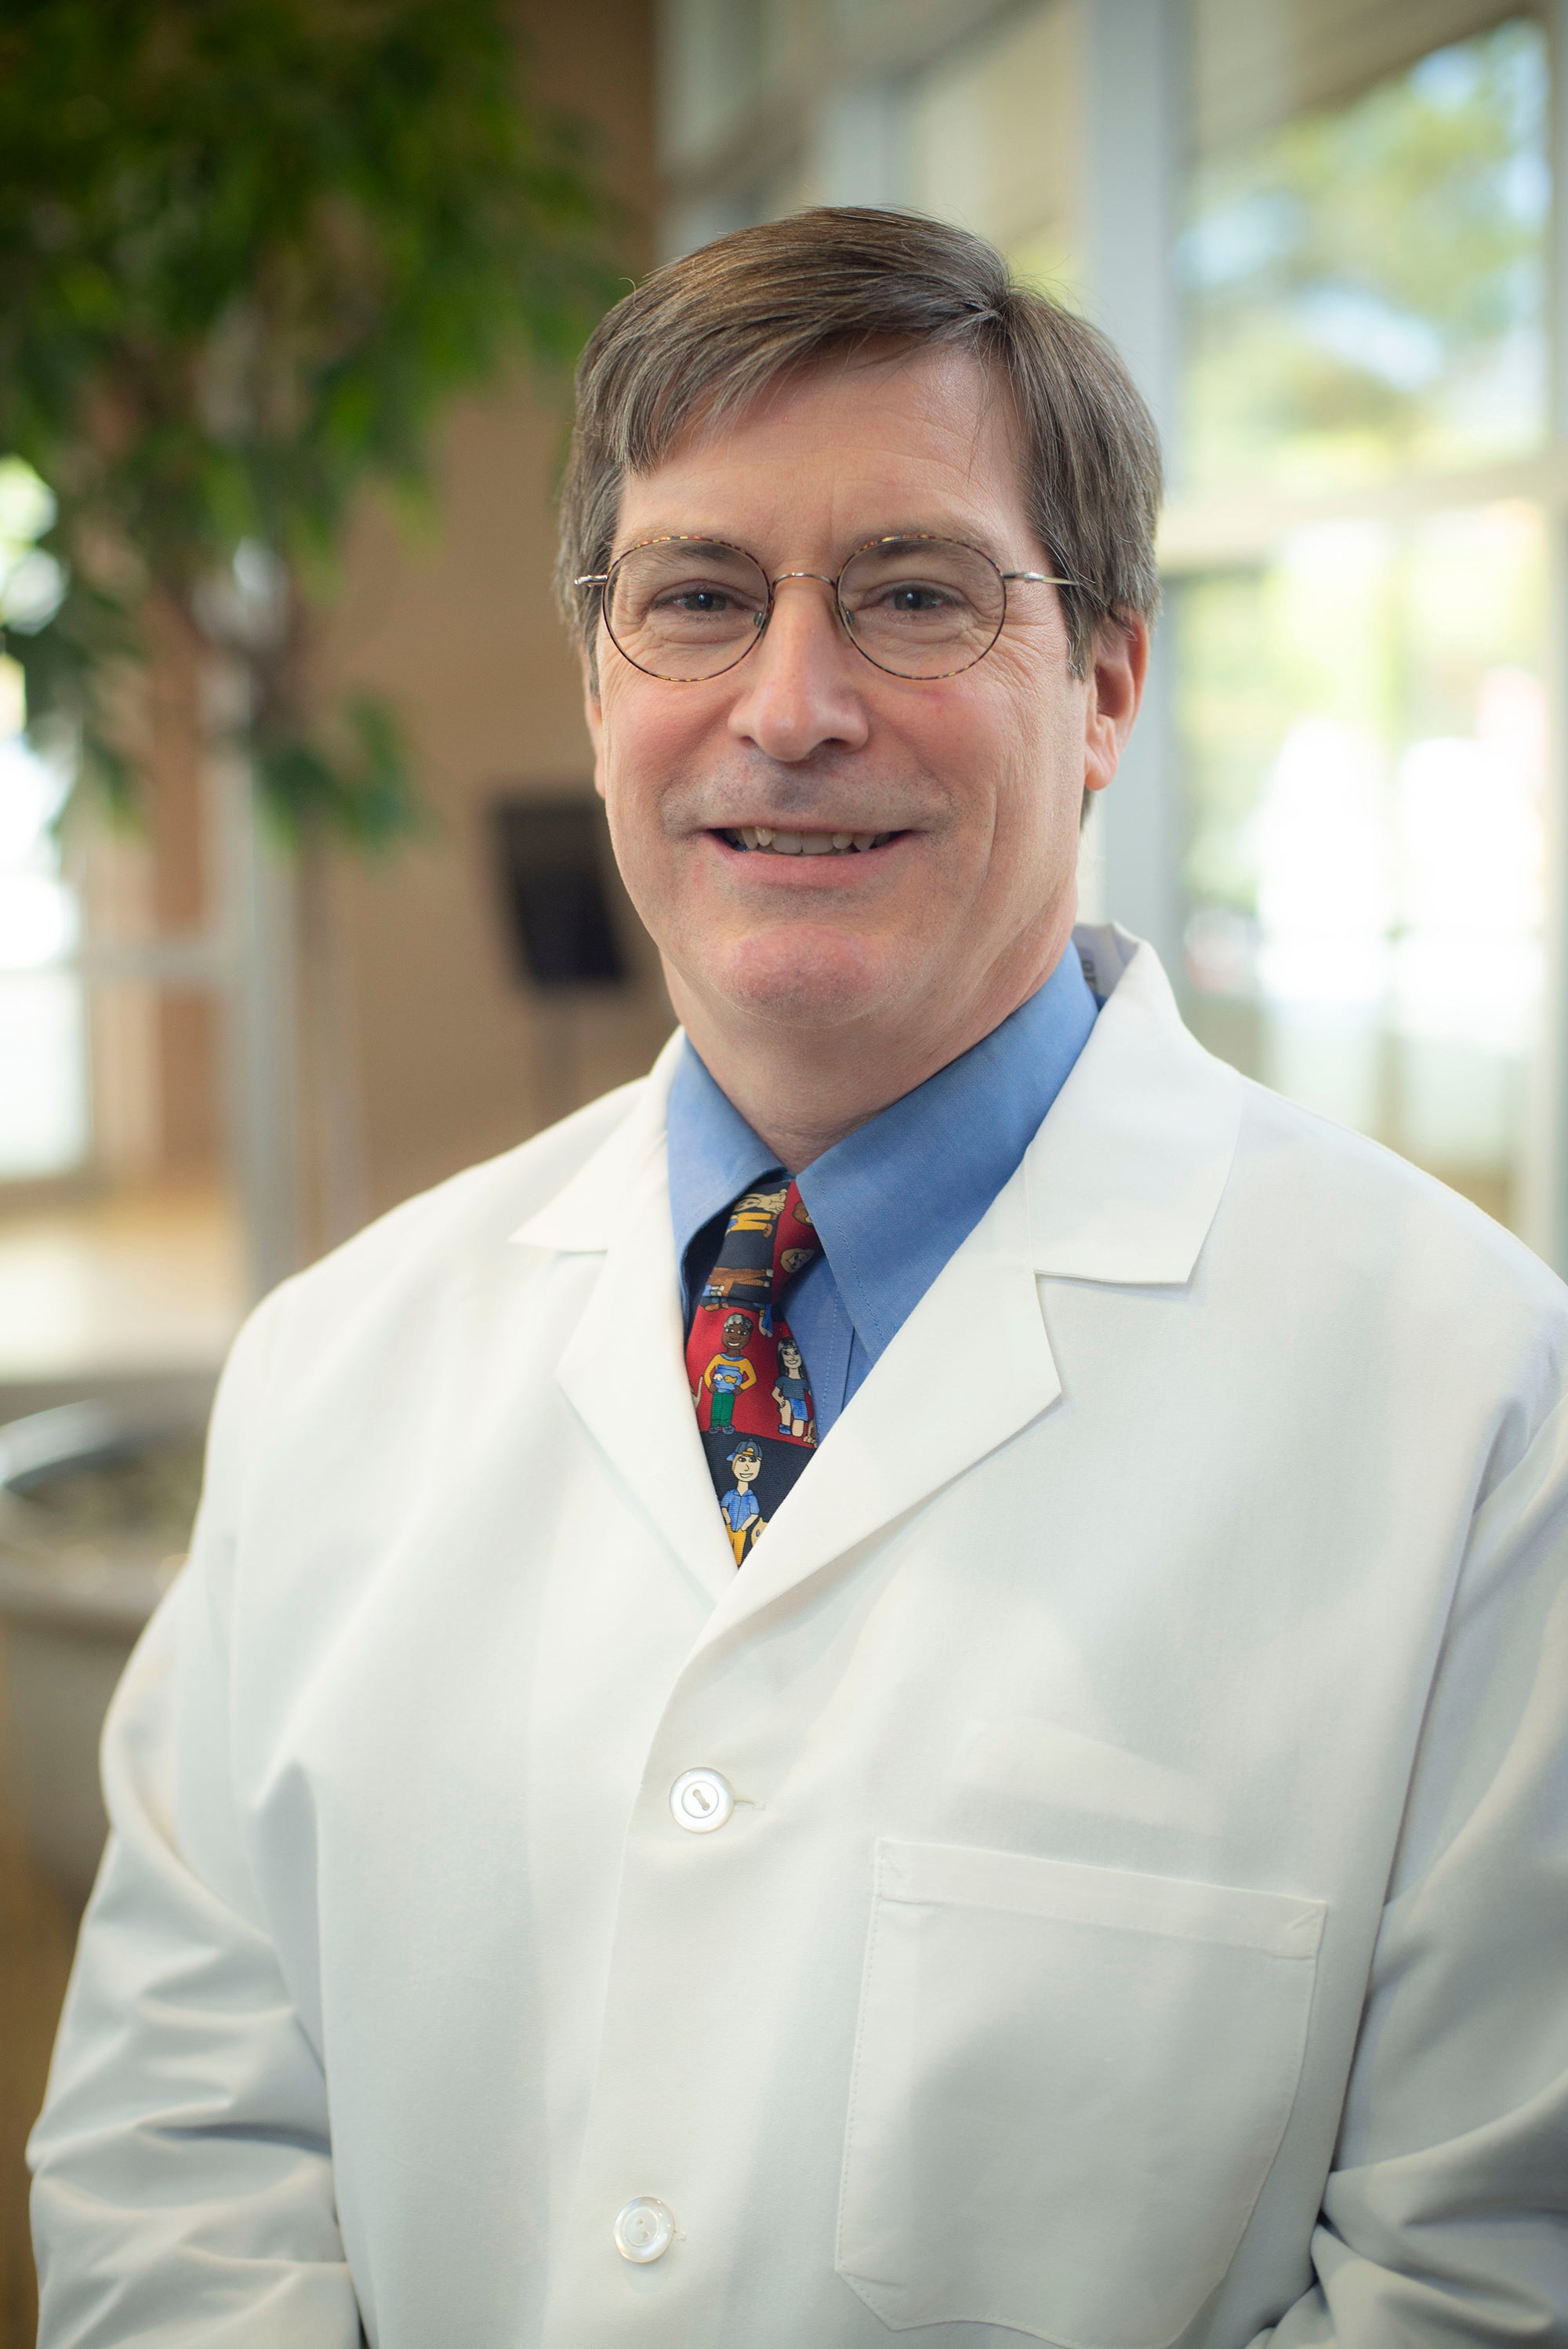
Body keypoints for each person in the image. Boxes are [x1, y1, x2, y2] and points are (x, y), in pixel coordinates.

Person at [29, 209, 1568, 2348]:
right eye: (697, 600)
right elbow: (176, 2156)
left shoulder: (1479, 1407)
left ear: (1107, 685)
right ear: (601, 691)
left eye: (915, 595)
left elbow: (1481, 2275)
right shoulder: (335, 1363)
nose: (793, 705)